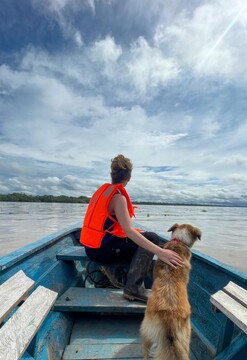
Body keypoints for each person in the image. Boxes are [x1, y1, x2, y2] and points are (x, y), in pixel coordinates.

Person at [80, 154, 183, 302]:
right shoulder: (118, 198)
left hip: (90, 247)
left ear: (111, 174)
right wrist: (160, 251)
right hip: (100, 251)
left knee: (143, 240)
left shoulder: (101, 193)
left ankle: (115, 269)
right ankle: (133, 288)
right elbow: (128, 231)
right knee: (152, 238)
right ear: (128, 179)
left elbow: (120, 229)